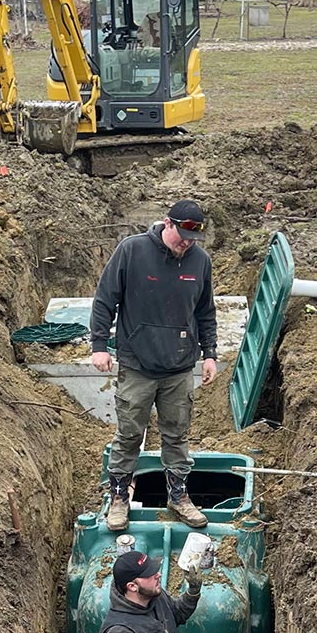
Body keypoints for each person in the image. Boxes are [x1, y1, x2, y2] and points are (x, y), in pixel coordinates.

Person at [90, 199, 218, 533]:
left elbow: (206, 312)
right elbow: (105, 299)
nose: (186, 244)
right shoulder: (132, 251)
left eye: (193, 239)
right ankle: (119, 497)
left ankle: (178, 495)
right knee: (130, 433)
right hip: (137, 364)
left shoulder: (200, 261)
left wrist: (210, 354)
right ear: (167, 223)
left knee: (177, 433)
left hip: (178, 366)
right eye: (182, 237)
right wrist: (99, 346)